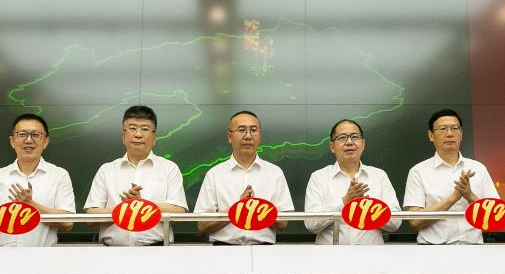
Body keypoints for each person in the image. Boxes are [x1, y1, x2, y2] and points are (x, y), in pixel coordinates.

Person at [84, 105, 187, 245]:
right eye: (132, 128)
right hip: (112, 252)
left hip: (157, 251)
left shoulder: (169, 168)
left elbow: (179, 213)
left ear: (154, 137)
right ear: (123, 136)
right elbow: (91, 216)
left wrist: (143, 206)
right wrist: (124, 210)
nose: (138, 134)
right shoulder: (107, 170)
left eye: (145, 129)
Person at [0, 113, 75, 247]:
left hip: (43, 257)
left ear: (45, 142)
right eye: (22, 134)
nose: (28, 140)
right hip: (1, 257)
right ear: (12, 141)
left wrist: (31, 205)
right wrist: (11, 214)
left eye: (35, 135)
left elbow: (67, 222)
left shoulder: (59, 175)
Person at [194, 110, 294, 245]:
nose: (248, 136)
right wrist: (237, 208)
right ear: (229, 136)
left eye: (253, 130)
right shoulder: (214, 174)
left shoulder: (275, 173)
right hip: (223, 250)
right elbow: (202, 226)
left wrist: (258, 209)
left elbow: (283, 223)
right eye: (241, 130)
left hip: (265, 249)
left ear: (260, 136)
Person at [404, 108, 498, 244]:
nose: (449, 134)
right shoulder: (418, 171)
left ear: (461, 134)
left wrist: (470, 196)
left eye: (455, 128)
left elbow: (495, 217)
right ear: (431, 135)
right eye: (443, 129)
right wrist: (452, 199)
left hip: (473, 249)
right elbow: (414, 221)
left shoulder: (478, 168)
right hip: (433, 250)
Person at [303, 119, 402, 244]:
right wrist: (344, 202)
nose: (349, 142)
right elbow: (310, 223)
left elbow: (396, 223)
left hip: (372, 254)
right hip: (331, 254)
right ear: (332, 147)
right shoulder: (319, 177)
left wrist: (370, 209)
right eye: (342, 137)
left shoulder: (379, 176)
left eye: (355, 137)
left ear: (363, 144)